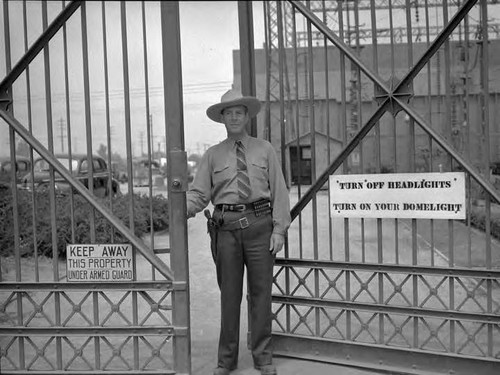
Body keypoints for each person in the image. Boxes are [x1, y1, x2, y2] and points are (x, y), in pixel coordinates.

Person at [186, 89, 291, 375]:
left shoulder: (264, 149)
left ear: (247, 116)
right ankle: (226, 361)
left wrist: (279, 230)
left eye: (239, 112)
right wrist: (177, 208)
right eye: (228, 113)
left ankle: (263, 356)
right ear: (222, 119)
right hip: (226, 231)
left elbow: (279, 191)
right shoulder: (212, 155)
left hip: (260, 227)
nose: (234, 117)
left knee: (261, 295)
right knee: (229, 297)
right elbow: (198, 194)